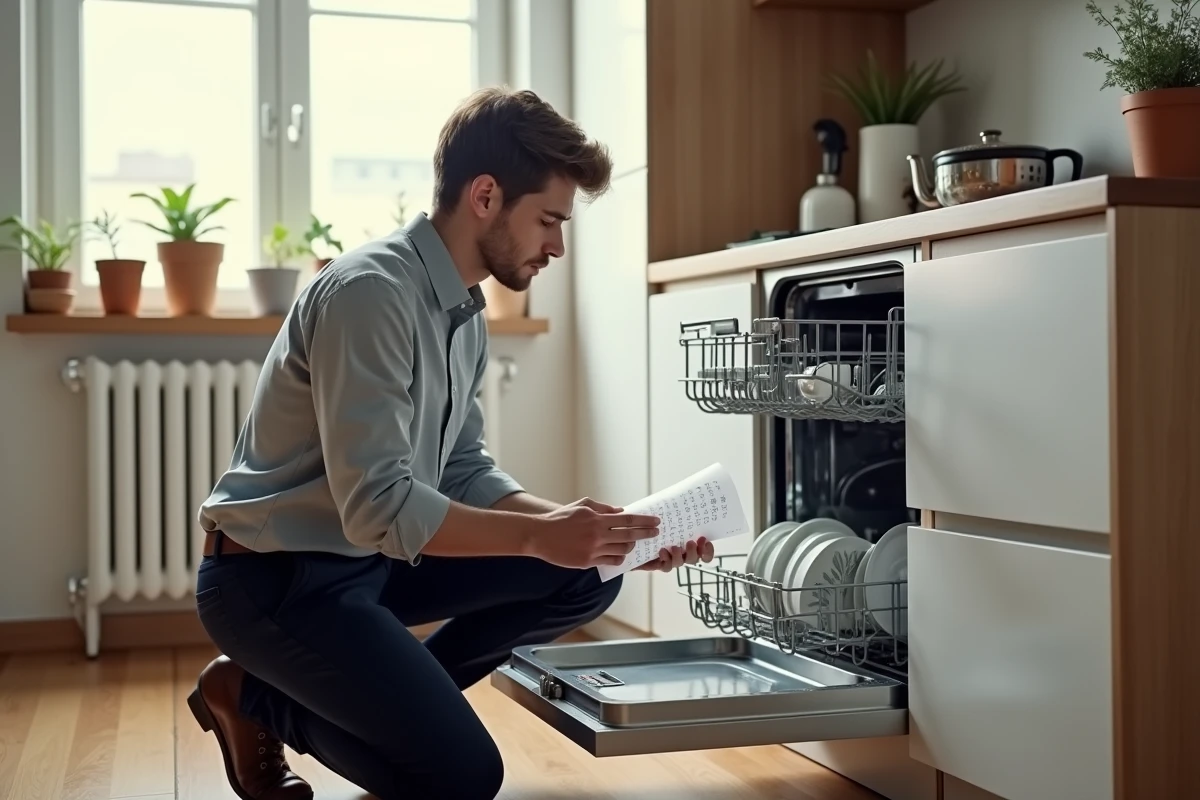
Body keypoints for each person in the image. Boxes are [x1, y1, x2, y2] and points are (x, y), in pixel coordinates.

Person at [187, 86, 715, 800]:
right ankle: (259, 696)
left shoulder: (463, 311)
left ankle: (387, 697)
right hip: (276, 581)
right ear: (487, 196)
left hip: (364, 564)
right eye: (549, 220)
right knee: (461, 776)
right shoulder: (368, 293)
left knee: (588, 574)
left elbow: (462, 469)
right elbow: (379, 507)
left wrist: (588, 533)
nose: (557, 246)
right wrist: (538, 537)